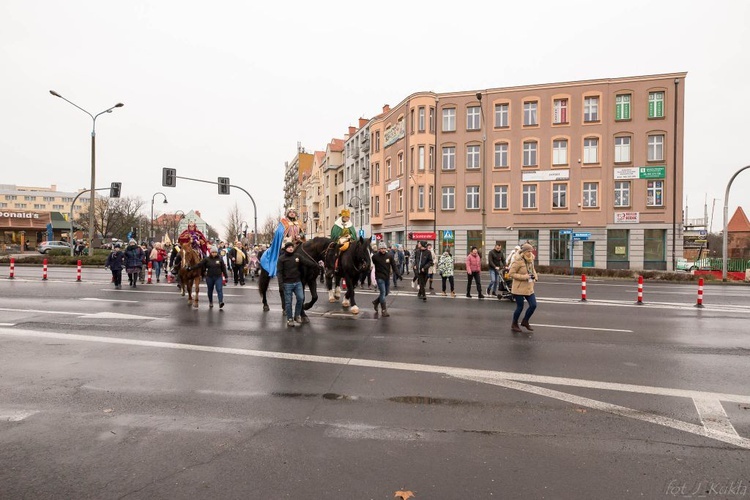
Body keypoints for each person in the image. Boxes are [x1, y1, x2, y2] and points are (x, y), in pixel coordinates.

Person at [259, 206, 304, 279]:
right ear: (287, 213)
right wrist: (286, 236)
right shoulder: (284, 222)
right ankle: (281, 270)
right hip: (286, 243)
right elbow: (279, 232)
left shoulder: (298, 222)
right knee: (283, 254)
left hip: (297, 242)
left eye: (293, 212)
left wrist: (300, 236)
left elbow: (302, 233)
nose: (292, 213)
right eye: (290, 212)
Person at [508, 243, 538, 332]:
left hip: (529, 287)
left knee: (533, 305)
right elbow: (511, 274)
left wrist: (535, 277)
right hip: (519, 288)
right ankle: (514, 324)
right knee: (520, 307)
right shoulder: (518, 260)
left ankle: (525, 321)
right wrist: (525, 277)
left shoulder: (531, 259)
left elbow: (532, 269)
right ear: (524, 252)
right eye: (528, 251)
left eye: (531, 251)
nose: (530, 253)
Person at [277, 241, 304, 327]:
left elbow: (306, 262)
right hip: (287, 283)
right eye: (289, 247)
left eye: (292, 247)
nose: (291, 248)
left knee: (301, 298)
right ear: (286, 249)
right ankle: (289, 319)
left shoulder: (297, 256)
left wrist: (315, 265)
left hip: (297, 282)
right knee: (288, 302)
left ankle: (297, 315)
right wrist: (281, 285)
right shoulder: (281, 259)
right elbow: (279, 273)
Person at [371, 241, 401, 317]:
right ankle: (384, 310)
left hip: (387, 277)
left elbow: (394, 265)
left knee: (386, 292)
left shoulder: (389, 256)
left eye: (384, 248)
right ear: (379, 249)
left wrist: (398, 274)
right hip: (379, 277)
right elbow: (372, 264)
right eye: (381, 248)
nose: (383, 250)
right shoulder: (375, 257)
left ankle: (376, 302)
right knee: (383, 292)